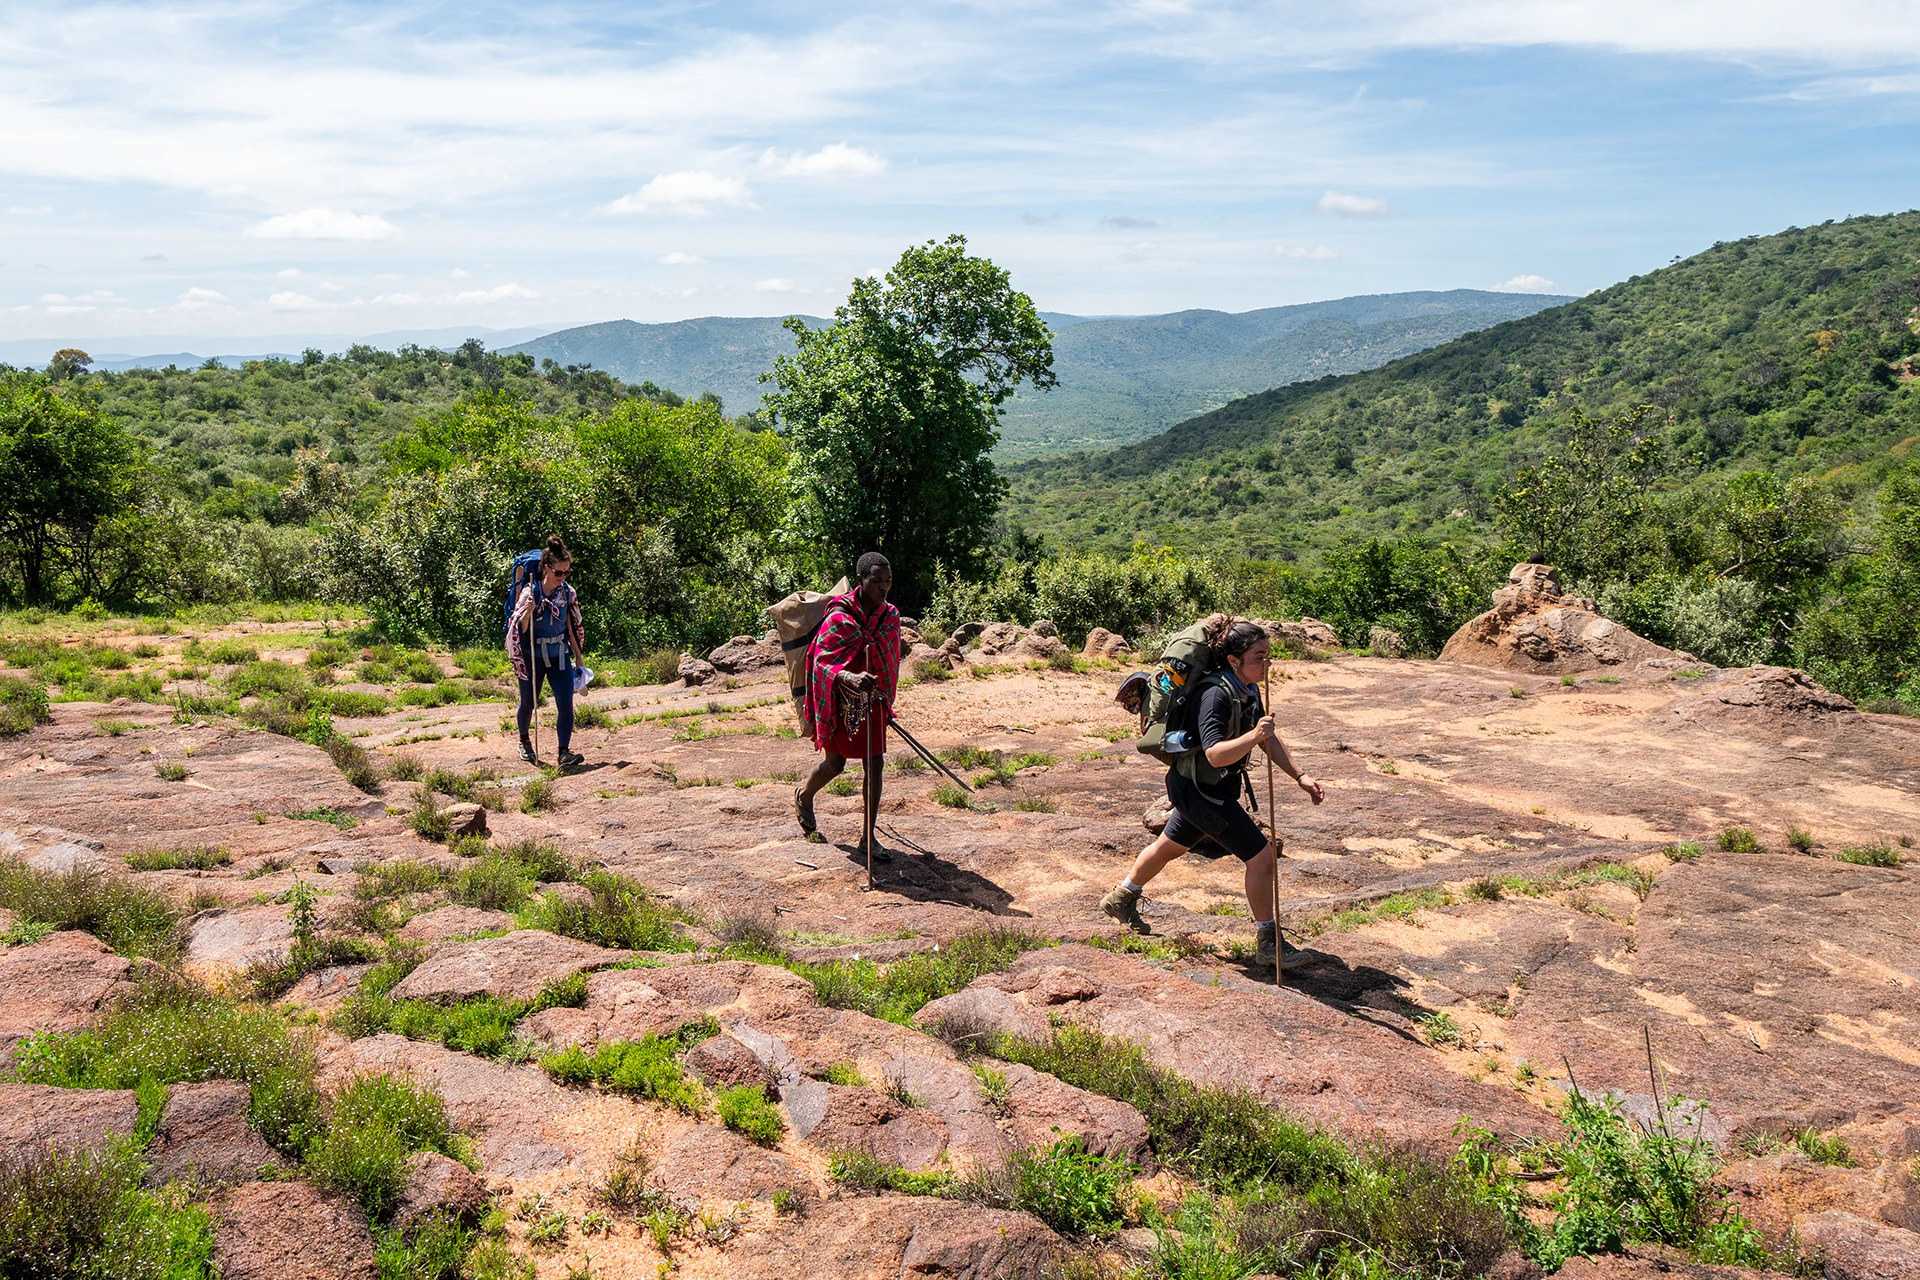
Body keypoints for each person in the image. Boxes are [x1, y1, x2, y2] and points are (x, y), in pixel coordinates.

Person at [1101, 618, 1325, 969]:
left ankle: (1121, 897)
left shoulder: (1246, 689)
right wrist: (1254, 736)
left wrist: (1300, 775)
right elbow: (1215, 753)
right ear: (1233, 660)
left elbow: (1265, 738)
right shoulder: (1216, 694)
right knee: (1262, 857)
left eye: (1268, 656)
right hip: (1198, 790)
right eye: (1258, 657)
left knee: (1169, 846)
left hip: (1210, 786)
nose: (1266, 664)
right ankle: (1269, 943)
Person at [795, 553, 901, 862]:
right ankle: (804, 796)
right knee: (836, 764)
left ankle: (867, 838)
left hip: (874, 699)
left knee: (876, 763)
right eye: (876, 581)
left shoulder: (890, 616)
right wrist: (848, 677)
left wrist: (879, 692)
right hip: (840, 701)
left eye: (888, 582)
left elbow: (890, 662)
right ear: (861, 582)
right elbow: (820, 660)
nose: (883, 588)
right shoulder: (839, 617)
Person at [508, 534, 585, 768]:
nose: (562, 577)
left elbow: (571, 626)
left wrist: (579, 659)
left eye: (566, 572)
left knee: (565, 702)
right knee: (529, 702)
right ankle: (524, 741)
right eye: (559, 572)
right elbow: (520, 628)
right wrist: (529, 611)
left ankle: (564, 752)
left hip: (559, 656)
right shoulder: (530, 593)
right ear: (547, 568)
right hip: (534, 656)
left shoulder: (567, 593)